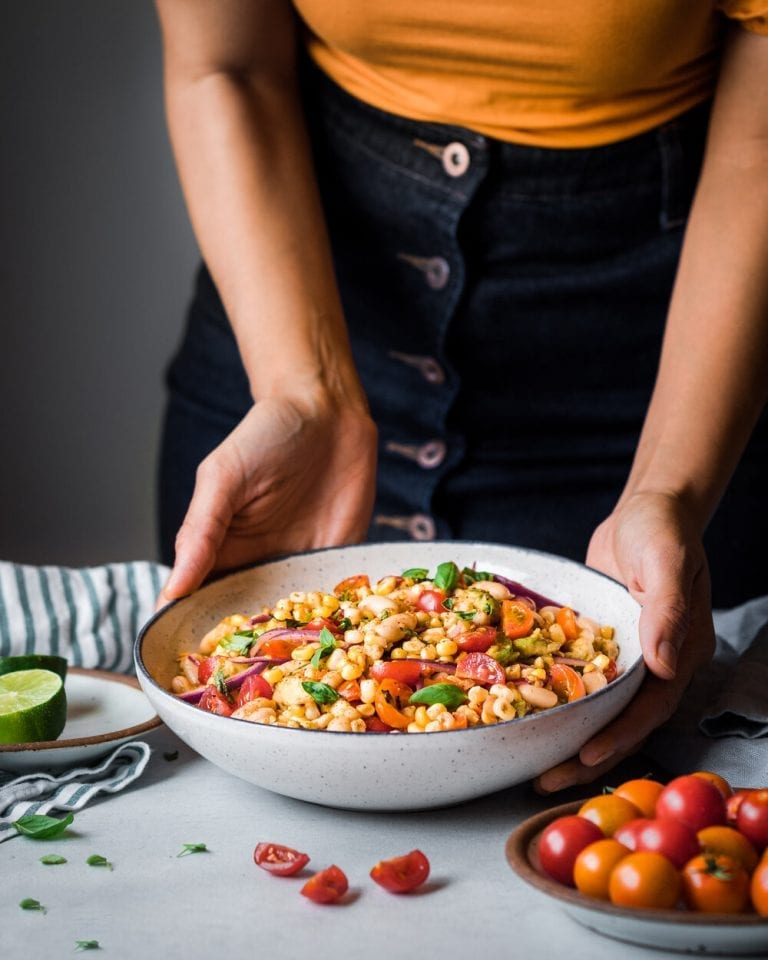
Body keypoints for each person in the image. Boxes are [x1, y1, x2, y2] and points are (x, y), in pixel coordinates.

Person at [152, 1, 768, 793]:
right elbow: (222, 65)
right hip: (295, 291)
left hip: (661, 344)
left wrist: (668, 488)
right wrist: (305, 390)